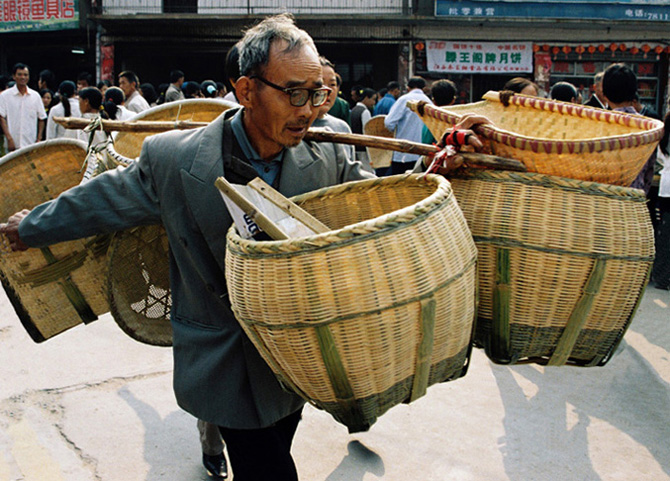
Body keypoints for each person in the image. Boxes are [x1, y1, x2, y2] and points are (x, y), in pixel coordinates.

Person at [0, 14, 375, 481]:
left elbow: (380, 205)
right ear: (246, 90)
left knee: (281, 439)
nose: (307, 109)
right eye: (295, 93)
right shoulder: (174, 158)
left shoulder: (331, 154)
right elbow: (103, 200)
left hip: (294, 359)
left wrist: (449, 168)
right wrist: (32, 225)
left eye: (317, 93)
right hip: (225, 358)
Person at [602, 63, 655, 194]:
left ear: (605, 95)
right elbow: (649, 172)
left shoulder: (599, 126)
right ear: (633, 93)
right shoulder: (648, 127)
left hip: (602, 204)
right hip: (635, 203)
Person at [383, 76, 432, 175]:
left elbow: (389, 122)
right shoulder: (429, 102)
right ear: (423, 88)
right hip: (422, 154)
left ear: (408, 88)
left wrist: (395, 131)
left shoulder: (404, 99)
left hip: (403, 152)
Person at [0, 63, 47, 152]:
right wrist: (9, 139)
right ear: (14, 76)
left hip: (30, 144)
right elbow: (2, 117)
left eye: (25, 75)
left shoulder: (35, 96)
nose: (23, 77)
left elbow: (41, 118)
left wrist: (39, 139)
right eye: (19, 74)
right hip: (12, 145)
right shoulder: (5, 96)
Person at [652, 111, 670, 290]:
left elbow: (658, 156)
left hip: (666, 187)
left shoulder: (664, 130)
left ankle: (661, 275)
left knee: (664, 234)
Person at [422, 79, 456, 145]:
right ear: (453, 100)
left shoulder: (429, 120)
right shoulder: (458, 120)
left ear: (433, 100)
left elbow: (425, 142)